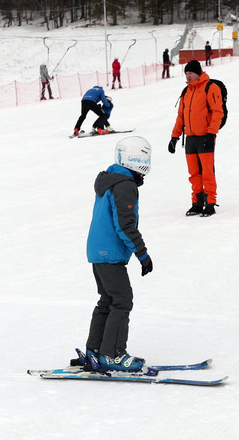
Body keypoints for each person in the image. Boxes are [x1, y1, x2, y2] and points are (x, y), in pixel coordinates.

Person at [82, 136, 154, 373]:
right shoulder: (124, 185)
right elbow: (125, 225)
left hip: (98, 251)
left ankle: (95, 350)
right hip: (109, 253)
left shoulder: (110, 180)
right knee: (122, 301)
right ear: (138, 159)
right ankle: (111, 355)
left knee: (108, 301)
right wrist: (142, 253)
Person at [167, 60, 223, 217]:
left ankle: (210, 203)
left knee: (207, 172)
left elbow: (218, 112)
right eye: (186, 73)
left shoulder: (210, 87)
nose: (188, 76)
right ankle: (197, 203)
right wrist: (174, 137)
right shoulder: (186, 91)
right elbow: (181, 116)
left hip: (205, 137)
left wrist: (212, 133)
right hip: (190, 138)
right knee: (194, 174)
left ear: (198, 73)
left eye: (190, 73)